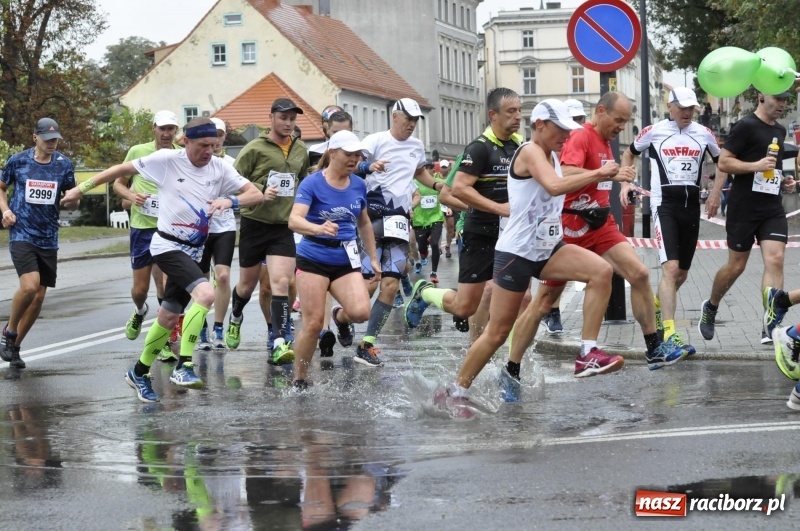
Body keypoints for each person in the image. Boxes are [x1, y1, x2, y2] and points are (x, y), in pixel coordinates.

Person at [433, 100, 621, 417]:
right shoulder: (531, 151)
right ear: (540, 126)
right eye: (560, 129)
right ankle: (456, 391)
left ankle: (588, 353)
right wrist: (599, 173)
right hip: (516, 252)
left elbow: (555, 191)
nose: (566, 135)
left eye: (569, 130)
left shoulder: (551, 155)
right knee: (496, 332)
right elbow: (554, 184)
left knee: (602, 271)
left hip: (546, 248)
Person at [60, 117, 266, 403]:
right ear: (186, 141)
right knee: (206, 294)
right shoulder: (167, 160)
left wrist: (229, 201)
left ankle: (139, 372)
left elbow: (255, 194)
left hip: (194, 249)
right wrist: (78, 190)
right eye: (203, 145)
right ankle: (185, 365)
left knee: (169, 315)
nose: (209, 151)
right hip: (167, 246)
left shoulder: (219, 167)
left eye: (213, 145)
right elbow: (120, 170)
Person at [525, 92, 686, 372]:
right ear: (601, 111)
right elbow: (563, 171)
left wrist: (618, 176)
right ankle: (514, 360)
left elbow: (602, 177)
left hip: (601, 224)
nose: (621, 126)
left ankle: (654, 348)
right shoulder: (581, 136)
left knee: (639, 273)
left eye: (626, 121)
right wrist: (608, 174)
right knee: (543, 303)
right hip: (572, 225)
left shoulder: (605, 142)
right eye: (618, 119)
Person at [405, 87, 524, 341]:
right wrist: (493, 209)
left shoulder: (519, 146)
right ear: (493, 114)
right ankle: (426, 293)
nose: (518, 117)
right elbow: (448, 194)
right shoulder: (476, 150)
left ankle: (507, 361)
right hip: (479, 233)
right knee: (467, 305)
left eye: (520, 111)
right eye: (511, 111)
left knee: (521, 296)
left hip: (511, 235)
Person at [620, 87, 724, 355]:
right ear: (670, 107)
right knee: (670, 268)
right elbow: (629, 153)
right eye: (682, 107)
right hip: (663, 205)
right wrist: (626, 182)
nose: (687, 113)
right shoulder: (653, 131)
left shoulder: (703, 133)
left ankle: (656, 304)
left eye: (691, 108)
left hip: (691, 208)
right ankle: (669, 334)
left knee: (682, 274)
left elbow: (723, 162)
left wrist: (714, 194)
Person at [700, 90, 796, 344]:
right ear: (762, 97)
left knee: (775, 259)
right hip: (743, 208)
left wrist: (782, 181)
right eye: (779, 99)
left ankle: (770, 324)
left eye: (786, 100)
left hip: (772, 207)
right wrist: (755, 167)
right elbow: (724, 163)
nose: (783, 105)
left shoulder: (780, 130)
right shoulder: (744, 126)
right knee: (736, 266)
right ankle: (711, 305)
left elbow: (770, 166)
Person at [354, 97, 444, 366]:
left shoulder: (416, 146)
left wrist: (439, 186)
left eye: (416, 121)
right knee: (367, 288)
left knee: (391, 285)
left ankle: (367, 344)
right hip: (370, 218)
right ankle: (341, 318)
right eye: (408, 120)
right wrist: (368, 166)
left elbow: (420, 174)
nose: (412, 125)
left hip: (398, 221)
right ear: (395, 116)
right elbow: (351, 166)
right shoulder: (375, 141)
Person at [288, 131, 382, 389]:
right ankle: (300, 378)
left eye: (357, 155)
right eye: (348, 154)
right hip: (313, 257)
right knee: (314, 323)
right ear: (333, 153)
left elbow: (363, 222)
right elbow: (294, 220)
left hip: (345, 258)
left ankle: (340, 318)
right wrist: (317, 228)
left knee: (361, 312)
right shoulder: (312, 183)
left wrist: (372, 258)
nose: (354, 159)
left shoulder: (358, 184)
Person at [226, 98, 310, 365]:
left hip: (282, 226)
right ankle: (235, 315)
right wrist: (261, 189)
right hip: (254, 223)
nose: (287, 123)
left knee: (281, 283)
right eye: (283, 118)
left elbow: (303, 183)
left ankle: (279, 339)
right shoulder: (254, 148)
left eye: (292, 119)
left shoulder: (300, 150)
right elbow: (232, 182)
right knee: (247, 285)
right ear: (271, 117)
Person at [0, 118, 77, 369]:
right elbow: (1, 187)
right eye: (47, 139)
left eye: (55, 139)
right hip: (22, 232)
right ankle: (9, 333)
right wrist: (5, 210)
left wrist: (73, 200)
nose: (52, 144)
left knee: (39, 297)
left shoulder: (64, 165)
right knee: (30, 286)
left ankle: (15, 347)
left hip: (48, 236)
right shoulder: (18, 160)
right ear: (35, 137)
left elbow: (72, 199)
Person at [114, 110, 181, 345]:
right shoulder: (138, 151)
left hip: (170, 228)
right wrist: (132, 197)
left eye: (171, 129)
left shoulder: (181, 156)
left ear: (176, 131)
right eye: (162, 128)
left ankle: (163, 338)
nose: (166, 133)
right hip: (142, 227)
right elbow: (118, 184)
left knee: (166, 282)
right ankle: (140, 310)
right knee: (140, 290)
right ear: (154, 128)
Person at [541, 98, 588, 335]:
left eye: (580, 120)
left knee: (598, 270)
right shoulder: (543, 150)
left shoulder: (570, 145)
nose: (576, 127)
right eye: (573, 121)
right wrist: (598, 173)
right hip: (559, 217)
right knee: (557, 270)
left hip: (576, 216)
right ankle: (550, 311)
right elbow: (559, 181)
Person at [195, 117, 238, 350]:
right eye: (213, 136)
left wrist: (231, 201)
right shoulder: (194, 162)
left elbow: (243, 192)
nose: (217, 140)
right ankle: (201, 327)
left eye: (220, 135)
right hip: (199, 228)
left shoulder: (230, 163)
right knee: (200, 280)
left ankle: (219, 327)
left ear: (223, 138)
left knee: (222, 277)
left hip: (224, 227)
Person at [411, 160, 445, 283]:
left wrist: (450, 208)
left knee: (435, 244)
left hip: (436, 218)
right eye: (426, 168)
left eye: (430, 168)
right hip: (419, 220)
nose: (429, 171)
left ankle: (433, 273)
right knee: (421, 248)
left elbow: (447, 195)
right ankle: (423, 252)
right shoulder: (414, 183)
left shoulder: (439, 184)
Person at [438, 159, 456, 258]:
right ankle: (438, 247)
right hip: (438, 207)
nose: (443, 169)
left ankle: (448, 245)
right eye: (442, 167)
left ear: (448, 168)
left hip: (448, 206)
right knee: (438, 228)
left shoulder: (452, 178)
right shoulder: (435, 178)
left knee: (450, 229)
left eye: (445, 167)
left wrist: (450, 206)